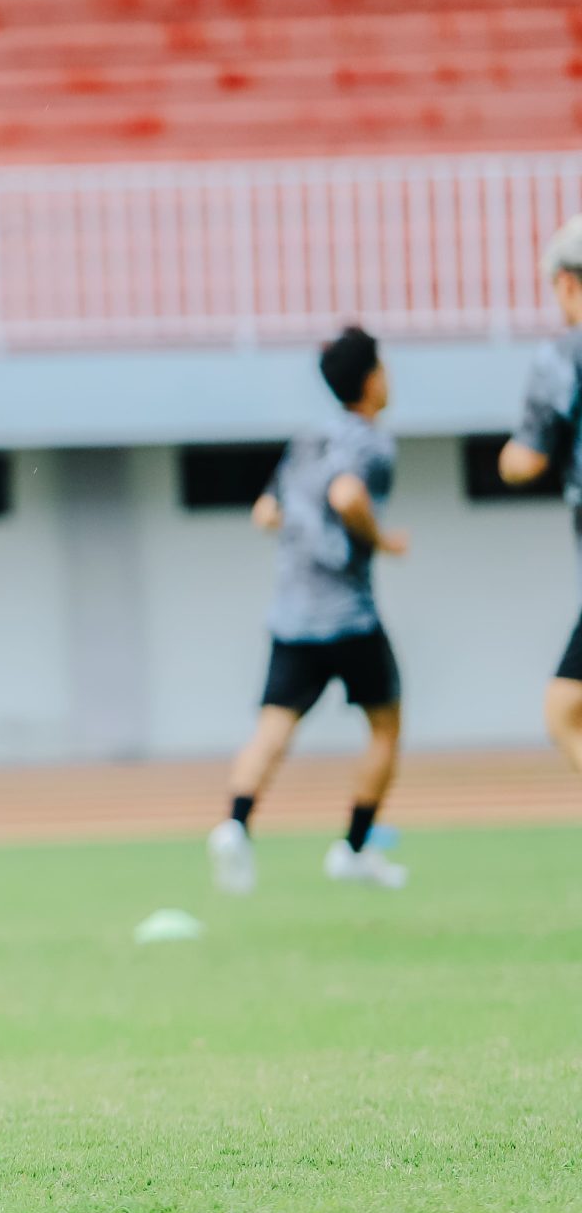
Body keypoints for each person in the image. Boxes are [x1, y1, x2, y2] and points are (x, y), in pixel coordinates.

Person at [207, 326, 409, 895]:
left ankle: (234, 826)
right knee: (386, 726)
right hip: (348, 613)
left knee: (272, 728)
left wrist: (302, 527)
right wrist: (381, 540)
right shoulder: (369, 442)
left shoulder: (306, 441)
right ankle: (354, 846)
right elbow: (347, 497)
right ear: (371, 378)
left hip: (293, 613)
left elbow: (264, 512)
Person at [498, 216, 582, 776]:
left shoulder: (563, 355)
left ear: (569, 282)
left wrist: (505, 460)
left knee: (565, 710)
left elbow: (527, 457)